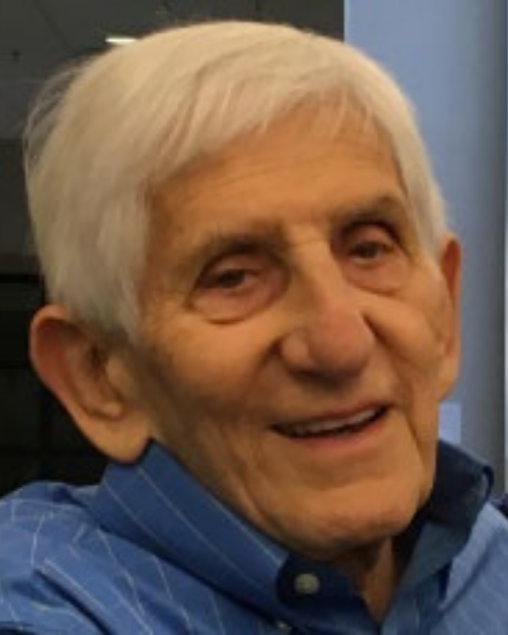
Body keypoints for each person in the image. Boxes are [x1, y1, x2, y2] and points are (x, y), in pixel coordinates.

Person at [1, 19, 507, 635]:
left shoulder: (485, 555)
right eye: (233, 277)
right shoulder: (39, 605)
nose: (340, 343)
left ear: (445, 311)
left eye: (369, 249)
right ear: (98, 376)